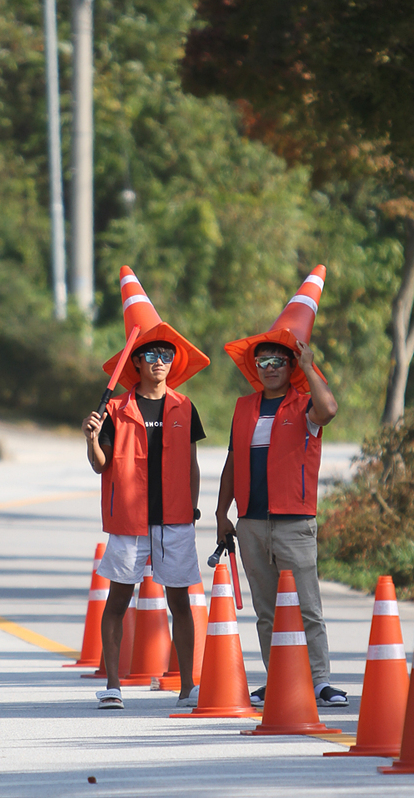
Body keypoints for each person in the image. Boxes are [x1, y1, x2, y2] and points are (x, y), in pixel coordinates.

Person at [216, 267, 348, 708]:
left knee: (307, 606)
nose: (269, 368)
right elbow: (232, 462)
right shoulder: (244, 407)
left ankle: (320, 680)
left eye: (278, 361)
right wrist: (221, 513)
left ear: (291, 367)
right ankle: (278, 680)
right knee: (267, 610)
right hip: (252, 522)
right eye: (263, 362)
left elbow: (330, 408)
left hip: (294, 522)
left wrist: (309, 367)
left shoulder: (305, 405)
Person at [83, 266, 209, 711]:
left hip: (174, 520)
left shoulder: (184, 406)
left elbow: (192, 464)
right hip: (129, 522)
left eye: (166, 353)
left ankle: (188, 686)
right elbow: (100, 466)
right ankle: (113, 685)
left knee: (181, 602)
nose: (159, 360)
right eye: (151, 353)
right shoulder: (116, 409)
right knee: (118, 599)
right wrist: (91, 439)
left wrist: (192, 508)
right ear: (135, 361)